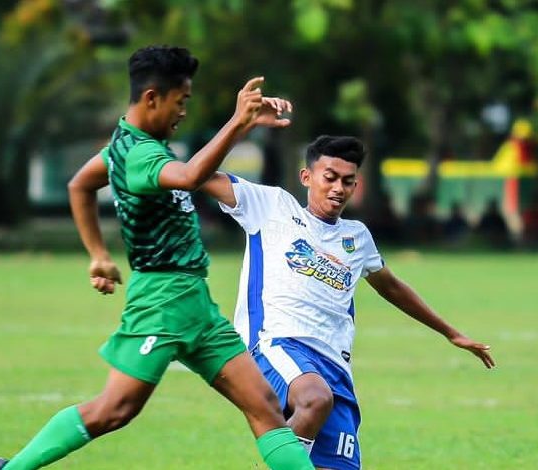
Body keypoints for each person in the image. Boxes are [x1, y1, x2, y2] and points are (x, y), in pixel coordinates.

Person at [0, 45, 313, 470]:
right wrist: (237, 123)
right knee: (113, 410)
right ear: (153, 97)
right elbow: (191, 177)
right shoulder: (140, 154)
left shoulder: (128, 145)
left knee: (265, 405)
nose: (183, 113)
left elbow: (79, 186)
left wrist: (98, 256)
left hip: (195, 302)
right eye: (181, 102)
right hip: (160, 301)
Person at [201, 135, 495, 470]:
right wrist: (240, 124)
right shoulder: (270, 206)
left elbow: (392, 287)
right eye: (330, 178)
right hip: (277, 343)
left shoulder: (357, 237)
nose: (339, 188)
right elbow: (200, 176)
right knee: (314, 399)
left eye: (348, 181)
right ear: (306, 177)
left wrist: (450, 333)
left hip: (336, 367)